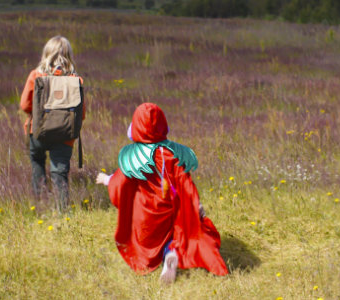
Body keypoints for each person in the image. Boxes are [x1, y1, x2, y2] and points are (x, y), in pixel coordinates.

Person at [95, 103, 228, 284]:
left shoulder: (134, 158)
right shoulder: (171, 154)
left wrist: (106, 180)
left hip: (145, 219)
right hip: (169, 210)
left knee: (144, 239)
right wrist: (194, 204)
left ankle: (165, 256)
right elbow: (185, 183)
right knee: (178, 229)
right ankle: (170, 252)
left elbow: (119, 184)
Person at [20, 35, 83, 208]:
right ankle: (63, 211)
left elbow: (25, 105)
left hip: (37, 132)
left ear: (46, 53)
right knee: (59, 172)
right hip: (65, 135)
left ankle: (40, 206)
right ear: (69, 55)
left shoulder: (35, 76)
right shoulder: (76, 80)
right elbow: (81, 114)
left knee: (38, 163)